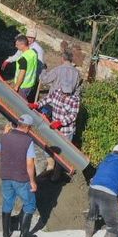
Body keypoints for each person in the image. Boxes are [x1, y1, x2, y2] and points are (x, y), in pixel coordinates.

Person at [37, 45, 83, 181]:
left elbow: (44, 80)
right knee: (52, 139)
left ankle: (55, 171)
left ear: (63, 59)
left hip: (62, 112)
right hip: (57, 105)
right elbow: (50, 98)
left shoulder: (58, 70)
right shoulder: (76, 73)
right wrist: (36, 104)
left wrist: (43, 71)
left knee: (58, 144)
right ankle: (51, 167)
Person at [0, 114, 40, 237]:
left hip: (5, 176)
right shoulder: (28, 141)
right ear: (28, 127)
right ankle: (24, 235)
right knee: (30, 204)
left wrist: (4, 133)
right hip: (21, 178)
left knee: (7, 202)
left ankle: (6, 233)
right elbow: (29, 163)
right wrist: (32, 181)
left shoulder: (5, 136)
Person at [1, 35, 40, 102]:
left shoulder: (23, 58)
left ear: (22, 45)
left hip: (23, 85)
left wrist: (16, 86)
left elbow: (22, 73)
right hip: (30, 83)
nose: (16, 46)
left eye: (17, 45)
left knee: (18, 102)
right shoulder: (33, 53)